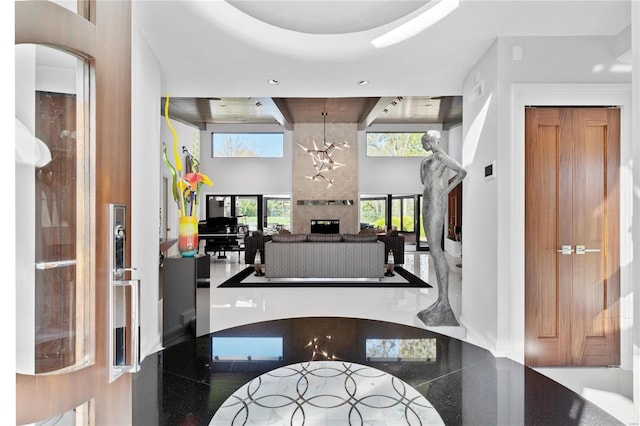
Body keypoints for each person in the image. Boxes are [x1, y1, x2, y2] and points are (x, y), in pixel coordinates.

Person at [417, 130, 467, 326]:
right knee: (432, 249)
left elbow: (462, 172)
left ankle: (444, 301)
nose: (423, 145)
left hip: (437, 199)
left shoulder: (442, 156)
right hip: (427, 199)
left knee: (436, 251)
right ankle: (440, 300)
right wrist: (423, 166)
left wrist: (445, 191)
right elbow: (423, 181)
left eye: (424, 142)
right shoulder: (425, 161)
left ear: (431, 140)